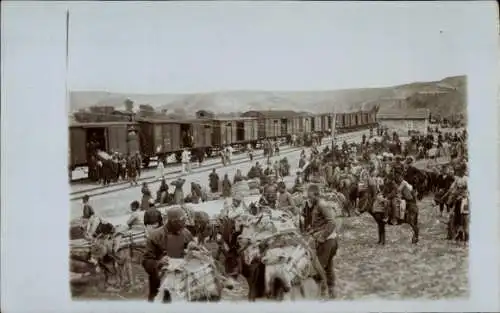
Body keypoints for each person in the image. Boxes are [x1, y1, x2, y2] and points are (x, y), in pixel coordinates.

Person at [142, 208, 194, 301]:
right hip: (160, 281)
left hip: (181, 278)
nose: (184, 223)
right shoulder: (156, 236)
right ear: (172, 222)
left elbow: (191, 251)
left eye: (184, 220)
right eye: (181, 221)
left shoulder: (186, 233)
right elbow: (146, 261)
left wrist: (193, 249)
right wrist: (159, 262)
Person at [304, 184, 338, 298]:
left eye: (310, 196)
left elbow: (332, 223)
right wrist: (312, 229)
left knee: (318, 268)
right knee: (328, 267)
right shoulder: (316, 205)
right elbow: (321, 223)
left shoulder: (322, 205)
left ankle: (322, 294)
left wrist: (322, 237)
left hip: (327, 241)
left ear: (316, 194)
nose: (309, 199)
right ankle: (332, 292)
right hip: (327, 240)